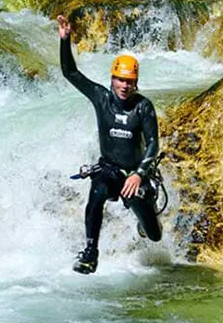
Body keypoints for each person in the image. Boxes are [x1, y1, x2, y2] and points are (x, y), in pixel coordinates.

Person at [58, 14, 162, 274]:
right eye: (120, 79)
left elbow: (153, 143)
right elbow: (70, 72)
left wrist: (139, 175)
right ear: (112, 79)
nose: (124, 86)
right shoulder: (101, 98)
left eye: (129, 81)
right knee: (97, 193)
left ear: (135, 82)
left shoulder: (143, 107)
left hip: (134, 176)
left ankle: (145, 220)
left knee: (154, 235)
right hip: (110, 170)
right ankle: (90, 252)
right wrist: (65, 39)